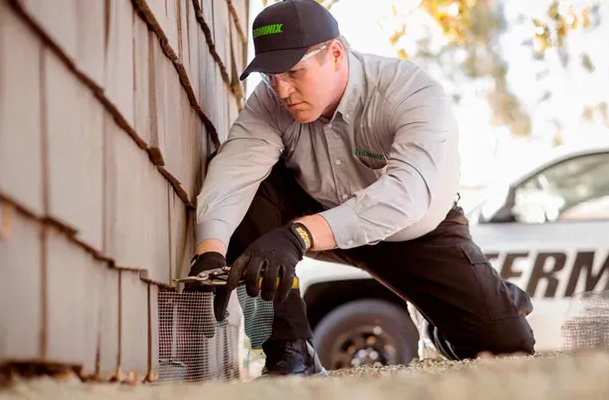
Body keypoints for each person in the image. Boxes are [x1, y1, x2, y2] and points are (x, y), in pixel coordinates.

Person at [187, 0, 536, 377]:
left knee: (507, 347)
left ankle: (445, 316)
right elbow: (234, 171)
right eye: (271, 76)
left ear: (335, 54)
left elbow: (407, 194)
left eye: (293, 72)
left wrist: (298, 236)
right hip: (316, 212)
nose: (282, 90)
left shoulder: (410, 92)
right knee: (248, 189)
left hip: (414, 231)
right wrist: (210, 251)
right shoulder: (271, 101)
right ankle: (290, 351)